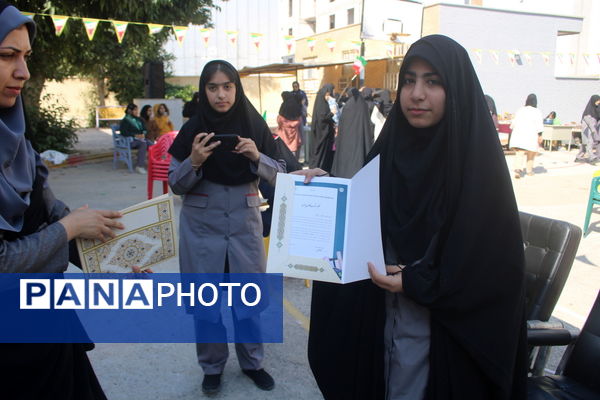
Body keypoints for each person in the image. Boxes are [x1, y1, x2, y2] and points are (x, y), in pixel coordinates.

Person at [296, 34, 527, 400]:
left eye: (433, 81)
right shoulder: (389, 153)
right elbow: (357, 216)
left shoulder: (477, 171)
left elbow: (497, 271)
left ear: (456, 90)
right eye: (409, 80)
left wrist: (420, 283)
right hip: (379, 323)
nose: (416, 94)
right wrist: (325, 195)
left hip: (440, 338)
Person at [0, 3, 127, 398]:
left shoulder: (20, 145)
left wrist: (113, 261)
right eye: (7, 56)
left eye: (26, 57)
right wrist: (69, 228)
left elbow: (52, 215)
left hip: (47, 335)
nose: (23, 71)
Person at [167, 59, 285, 396]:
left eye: (227, 86)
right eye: (213, 87)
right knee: (206, 304)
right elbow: (175, 183)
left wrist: (256, 157)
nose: (221, 94)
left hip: (244, 224)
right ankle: (212, 367)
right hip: (201, 227)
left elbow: (280, 173)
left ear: (237, 87)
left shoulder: (253, 123)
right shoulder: (191, 130)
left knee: (248, 300)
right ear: (204, 91)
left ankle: (253, 363)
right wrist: (195, 161)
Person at [330, 88, 374, 178]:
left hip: (347, 141)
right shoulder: (363, 105)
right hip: (361, 138)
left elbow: (343, 125)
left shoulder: (348, 105)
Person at [509, 94, 544, 178]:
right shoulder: (537, 111)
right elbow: (539, 124)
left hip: (519, 135)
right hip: (531, 136)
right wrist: (540, 135)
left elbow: (513, 123)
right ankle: (529, 171)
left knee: (519, 153)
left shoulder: (520, 110)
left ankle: (517, 170)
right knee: (531, 154)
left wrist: (512, 128)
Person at [309, 83, 336, 171]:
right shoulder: (322, 104)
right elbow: (322, 118)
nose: (328, 96)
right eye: (328, 94)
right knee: (319, 153)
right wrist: (332, 113)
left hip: (322, 134)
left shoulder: (323, 102)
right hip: (321, 134)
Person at [119, 103, 152, 174]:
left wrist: (143, 133)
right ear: (129, 111)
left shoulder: (139, 119)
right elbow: (123, 132)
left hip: (140, 139)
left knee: (151, 144)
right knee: (143, 144)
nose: (137, 111)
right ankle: (139, 166)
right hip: (129, 141)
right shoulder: (125, 120)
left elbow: (144, 129)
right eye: (135, 110)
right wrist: (135, 135)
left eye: (137, 110)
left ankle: (154, 163)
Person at [275, 91, 303, 158]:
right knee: (295, 149)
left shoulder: (283, 106)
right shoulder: (296, 106)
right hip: (295, 133)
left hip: (284, 133)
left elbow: (279, 120)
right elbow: (300, 119)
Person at [575, 95, 600, 164]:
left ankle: (578, 157)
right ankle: (592, 157)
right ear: (593, 100)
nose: (599, 102)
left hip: (592, 130)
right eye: (598, 100)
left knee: (586, 144)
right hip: (588, 130)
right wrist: (593, 130)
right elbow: (589, 122)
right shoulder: (588, 112)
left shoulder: (595, 109)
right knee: (589, 143)